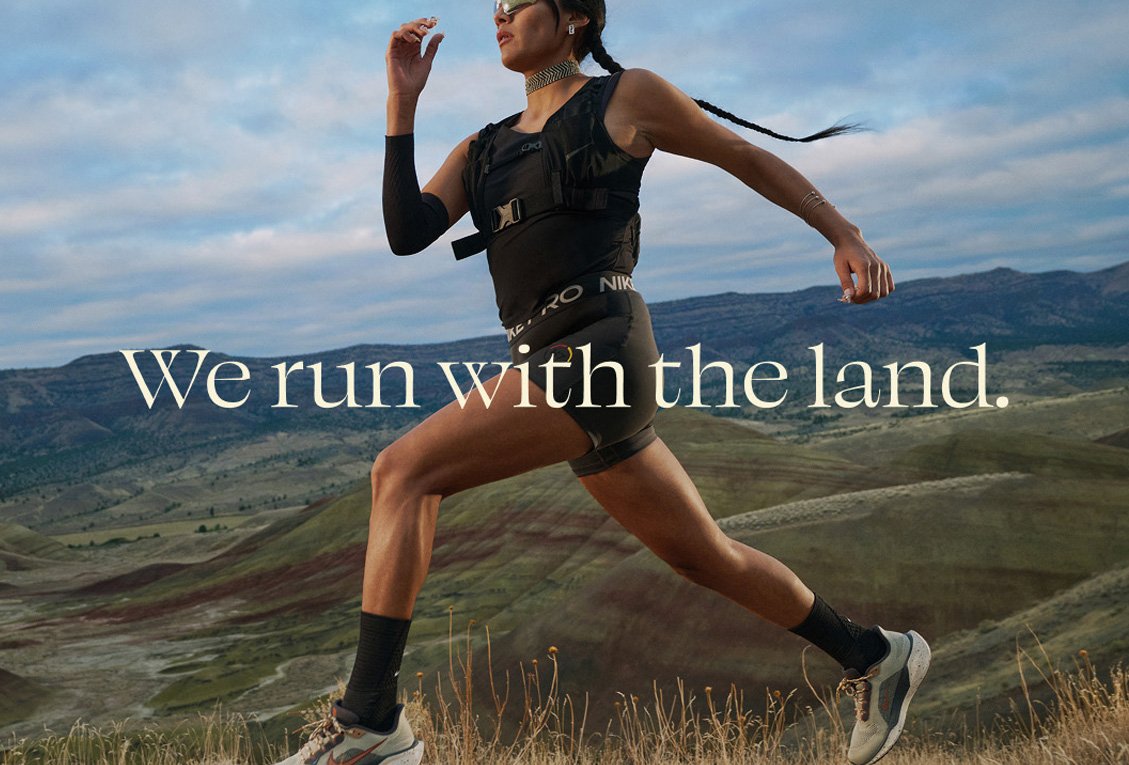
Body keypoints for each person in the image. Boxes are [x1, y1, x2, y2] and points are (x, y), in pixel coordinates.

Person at [274, 2, 928, 764]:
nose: (500, 16)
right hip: (544, 359)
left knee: (403, 470)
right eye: (496, 8)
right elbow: (405, 231)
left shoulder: (625, 98)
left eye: (518, 4)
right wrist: (401, 101)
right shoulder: (483, 147)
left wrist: (842, 233)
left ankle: (371, 719)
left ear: (574, 18)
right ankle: (872, 655)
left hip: (600, 346)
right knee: (703, 556)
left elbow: (740, 156)